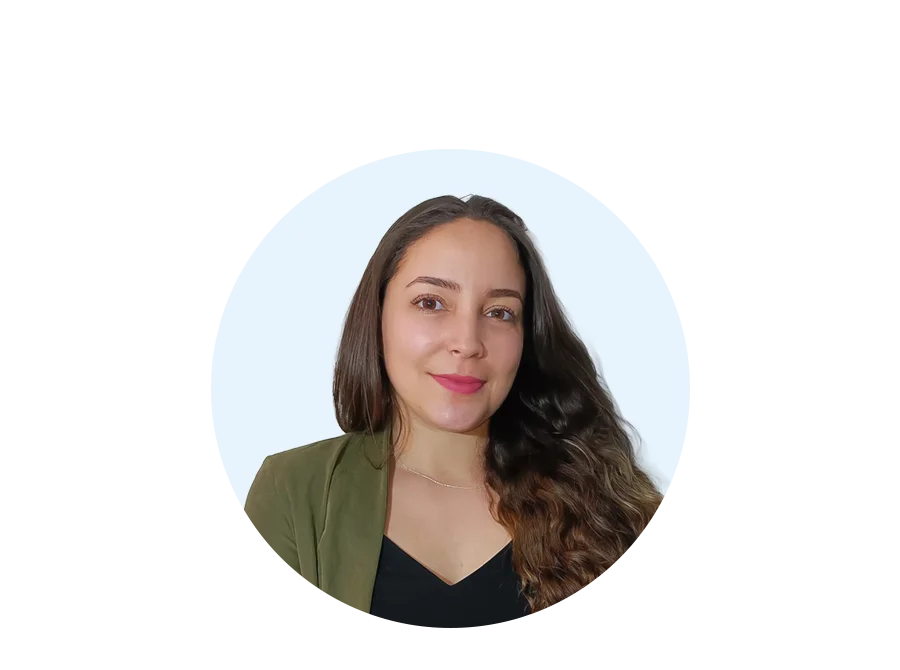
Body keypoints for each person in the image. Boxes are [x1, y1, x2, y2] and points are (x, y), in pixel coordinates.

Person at [243, 194, 664, 630]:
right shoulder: (294, 492)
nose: (467, 342)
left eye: (499, 312)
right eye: (431, 303)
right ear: (378, 314)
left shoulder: (606, 503)